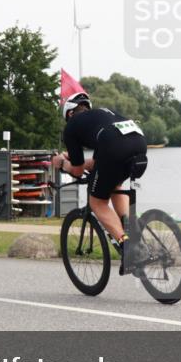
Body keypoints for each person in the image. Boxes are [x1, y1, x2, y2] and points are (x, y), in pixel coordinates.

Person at [52, 92, 148, 272]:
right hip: (139, 143)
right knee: (114, 185)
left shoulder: (71, 126)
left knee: (97, 202)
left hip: (114, 146)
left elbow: (78, 171)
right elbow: (97, 163)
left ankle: (128, 246)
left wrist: (63, 163)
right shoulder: (101, 116)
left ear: (70, 114)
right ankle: (133, 233)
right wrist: (73, 160)